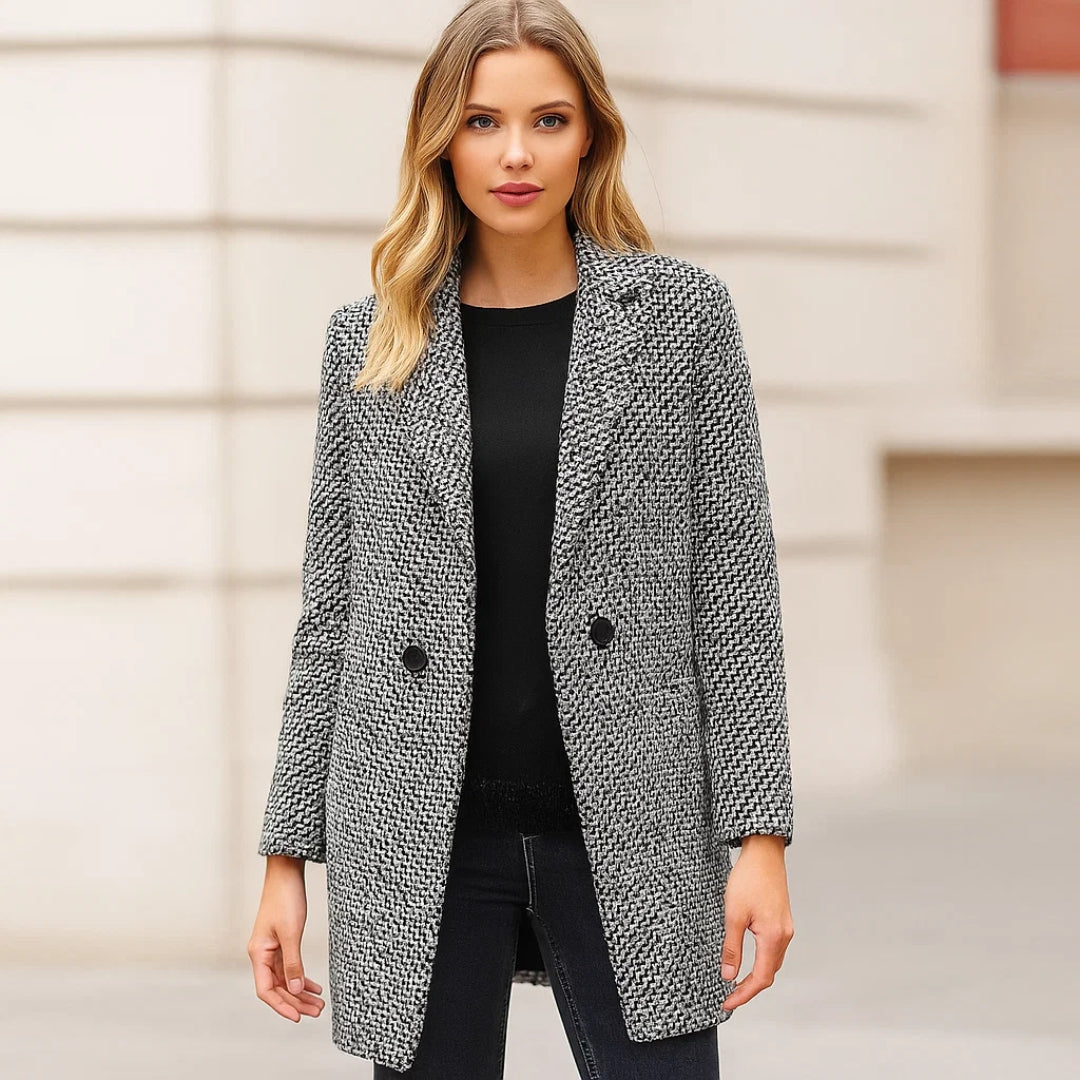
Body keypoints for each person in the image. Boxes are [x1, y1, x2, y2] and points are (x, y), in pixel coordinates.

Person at [247, 1, 795, 1076]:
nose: (515, 154)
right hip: (419, 827)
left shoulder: (681, 321)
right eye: (482, 122)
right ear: (440, 142)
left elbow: (735, 596)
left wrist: (760, 837)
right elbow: (335, 618)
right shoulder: (373, 341)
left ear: (590, 136)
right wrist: (285, 855)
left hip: (629, 818)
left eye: (549, 120)